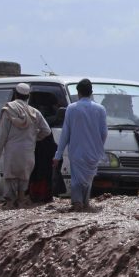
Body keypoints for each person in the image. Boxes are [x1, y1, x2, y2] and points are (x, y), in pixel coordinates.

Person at [0, 83, 52, 208]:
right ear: (28, 96)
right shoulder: (35, 112)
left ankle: (10, 204)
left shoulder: (8, 111)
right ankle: (21, 201)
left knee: (10, 179)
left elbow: (2, 136)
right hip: (28, 152)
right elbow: (47, 131)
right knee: (23, 181)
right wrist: (34, 138)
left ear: (15, 94)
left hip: (12, 152)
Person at [54, 78, 108, 211]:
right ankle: (85, 203)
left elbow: (65, 133)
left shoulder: (72, 109)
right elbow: (104, 132)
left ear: (78, 92)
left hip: (76, 151)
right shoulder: (100, 109)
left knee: (76, 178)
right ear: (91, 92)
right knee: (88, 179)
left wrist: (58, 155)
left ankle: (77, 203)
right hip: (94, 152)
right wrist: (98, 147)